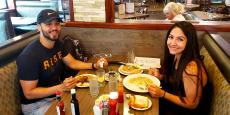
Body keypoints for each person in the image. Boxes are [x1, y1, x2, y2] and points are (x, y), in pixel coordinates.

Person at [16, 9, 107, 115]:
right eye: (48, 24)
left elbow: (72, 63)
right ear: (38, 27)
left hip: (56, 95)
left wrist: (94, 65)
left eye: (57, 23)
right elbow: (29, 93)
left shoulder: (58, 44)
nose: (54, 28)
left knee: (90, 103)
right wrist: (61, 87)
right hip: (37, 105)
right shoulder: (29, 56)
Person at [148, 21, 210, 115]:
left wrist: (162, 94)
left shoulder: (191, 68)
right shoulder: (177, 55)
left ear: (189, 42)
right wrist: (161, 76)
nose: (172, 43)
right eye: (171, 37)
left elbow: (192, 104)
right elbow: (179, 80)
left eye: (180, 39)